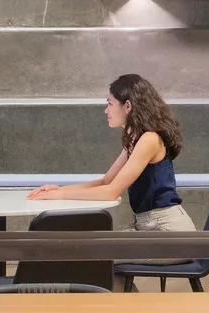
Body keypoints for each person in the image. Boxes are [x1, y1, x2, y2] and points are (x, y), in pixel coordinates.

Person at [29, 73, 196, 234]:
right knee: (92, 250)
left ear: (128, 106)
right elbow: (106, 182)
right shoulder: (135, 140)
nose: (106, 110)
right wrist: (58, 189)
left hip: (167, 232)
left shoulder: (149, 139)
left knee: (96, 257)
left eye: (109, 103)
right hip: (149, 228)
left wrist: (60, 195)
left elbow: (111, 192)